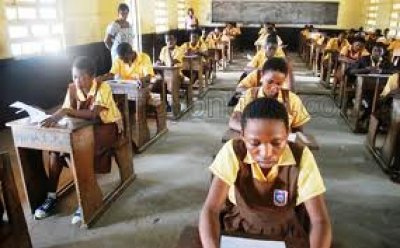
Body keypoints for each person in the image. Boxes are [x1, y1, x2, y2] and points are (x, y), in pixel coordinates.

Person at [200, 98, 332, 248]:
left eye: (276, 143)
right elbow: (211, 209)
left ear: (287, 134)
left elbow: (319, 220)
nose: (266, 153)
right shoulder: (233, 152)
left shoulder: (301, 157)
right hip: (239, 230)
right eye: (255, 143)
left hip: (286, 233)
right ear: (242, 135)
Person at [35, 56, 122, 225]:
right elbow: (68, 111)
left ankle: (85, 199)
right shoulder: (72, 89)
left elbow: (94, 114)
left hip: (106, 128)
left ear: (92, 76)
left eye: (81, 76)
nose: (77, 80)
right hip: (82, 129)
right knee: (55, 150)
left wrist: (65, 111)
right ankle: (51, 196)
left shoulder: (102, 87)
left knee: (81, 150)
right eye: (74, 76)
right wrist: (61, 114)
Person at [229, 58, 310, 133]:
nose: (274, 87)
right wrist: (254, 131)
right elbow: (234, 120)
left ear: (284, 81)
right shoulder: (250, 95)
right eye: (270, 82)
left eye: (279, 83)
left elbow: (298, 130)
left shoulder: (292, 99)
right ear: (261, 76)